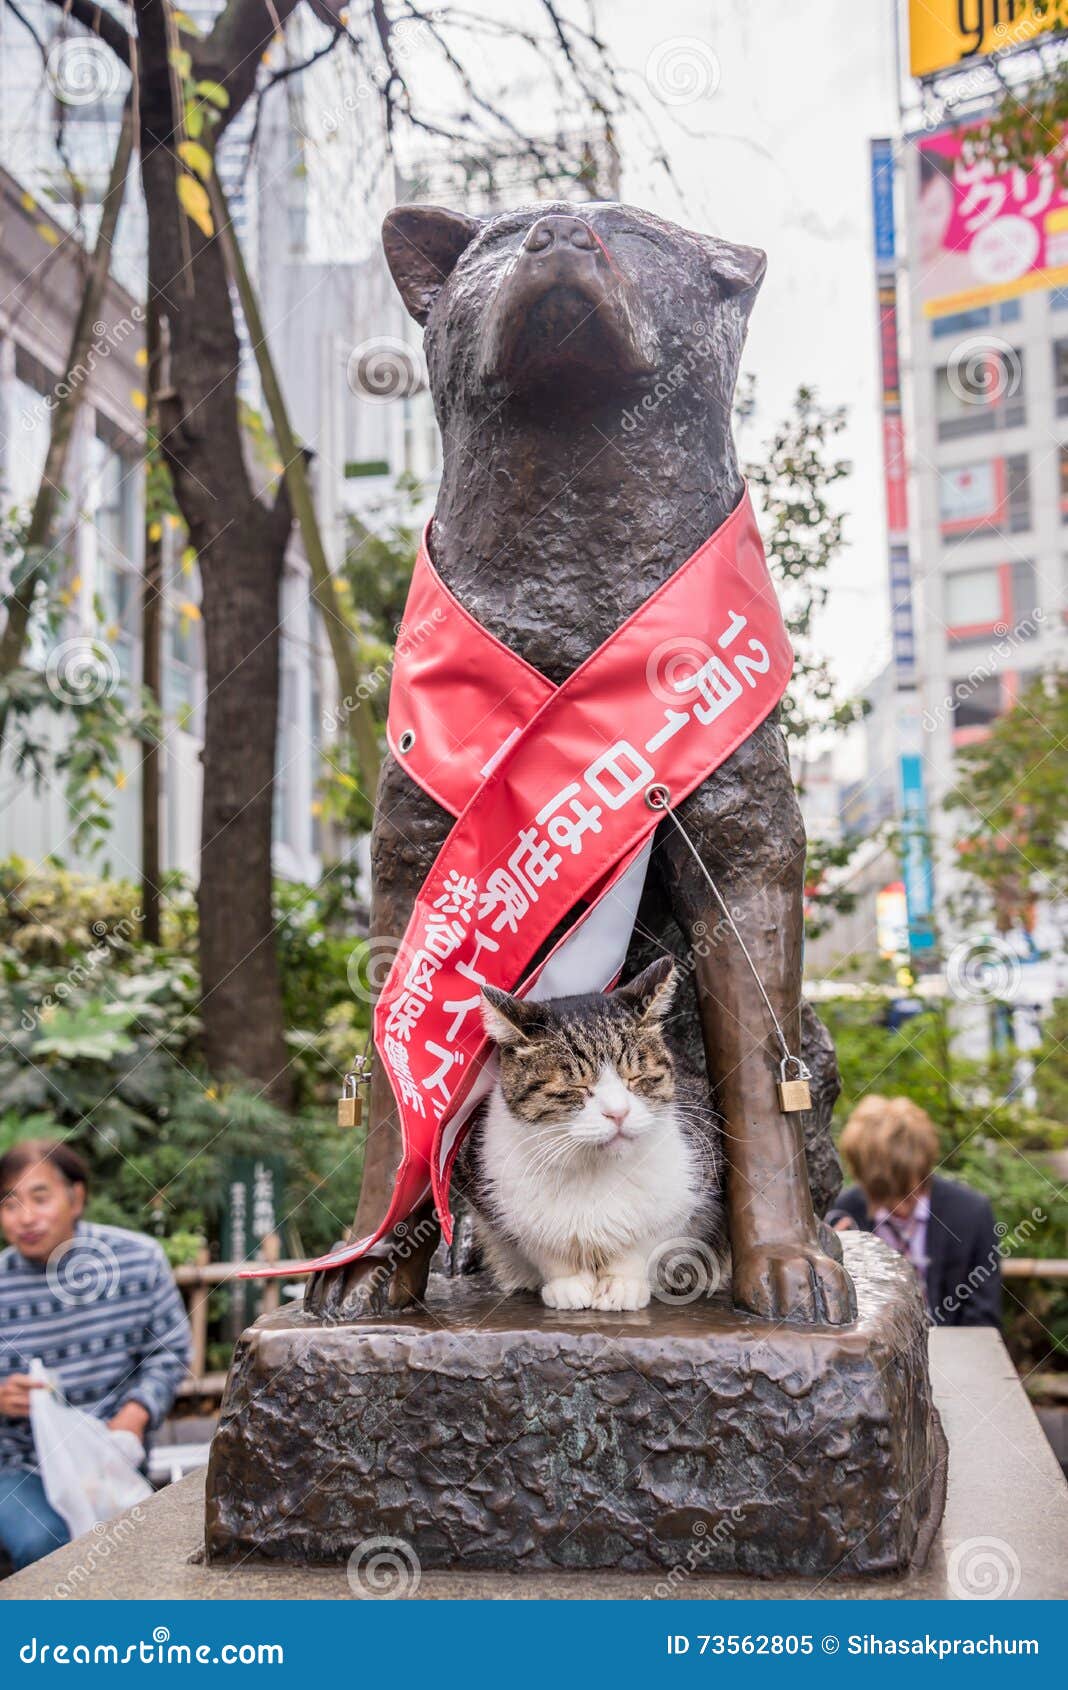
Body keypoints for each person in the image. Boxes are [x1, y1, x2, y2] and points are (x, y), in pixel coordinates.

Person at [0, 1140, 192, 1570]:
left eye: (40, 1197)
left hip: (114, 1453)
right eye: (9, 1204)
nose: (25, 1217)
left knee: (141, 1551)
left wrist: (136, 1414)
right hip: (18, 1463)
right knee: (43, 1544)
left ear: (76, 1196)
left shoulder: (138, 1261)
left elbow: (170, 1353)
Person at [827, 1095, 1001, 1328]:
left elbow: (982, 1318)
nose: (898, 1208)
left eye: (906, 1191)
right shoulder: (839, 1214)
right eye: (883, 1194)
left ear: (923, 1168)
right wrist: (831, 1259)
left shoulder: (970, 1213)